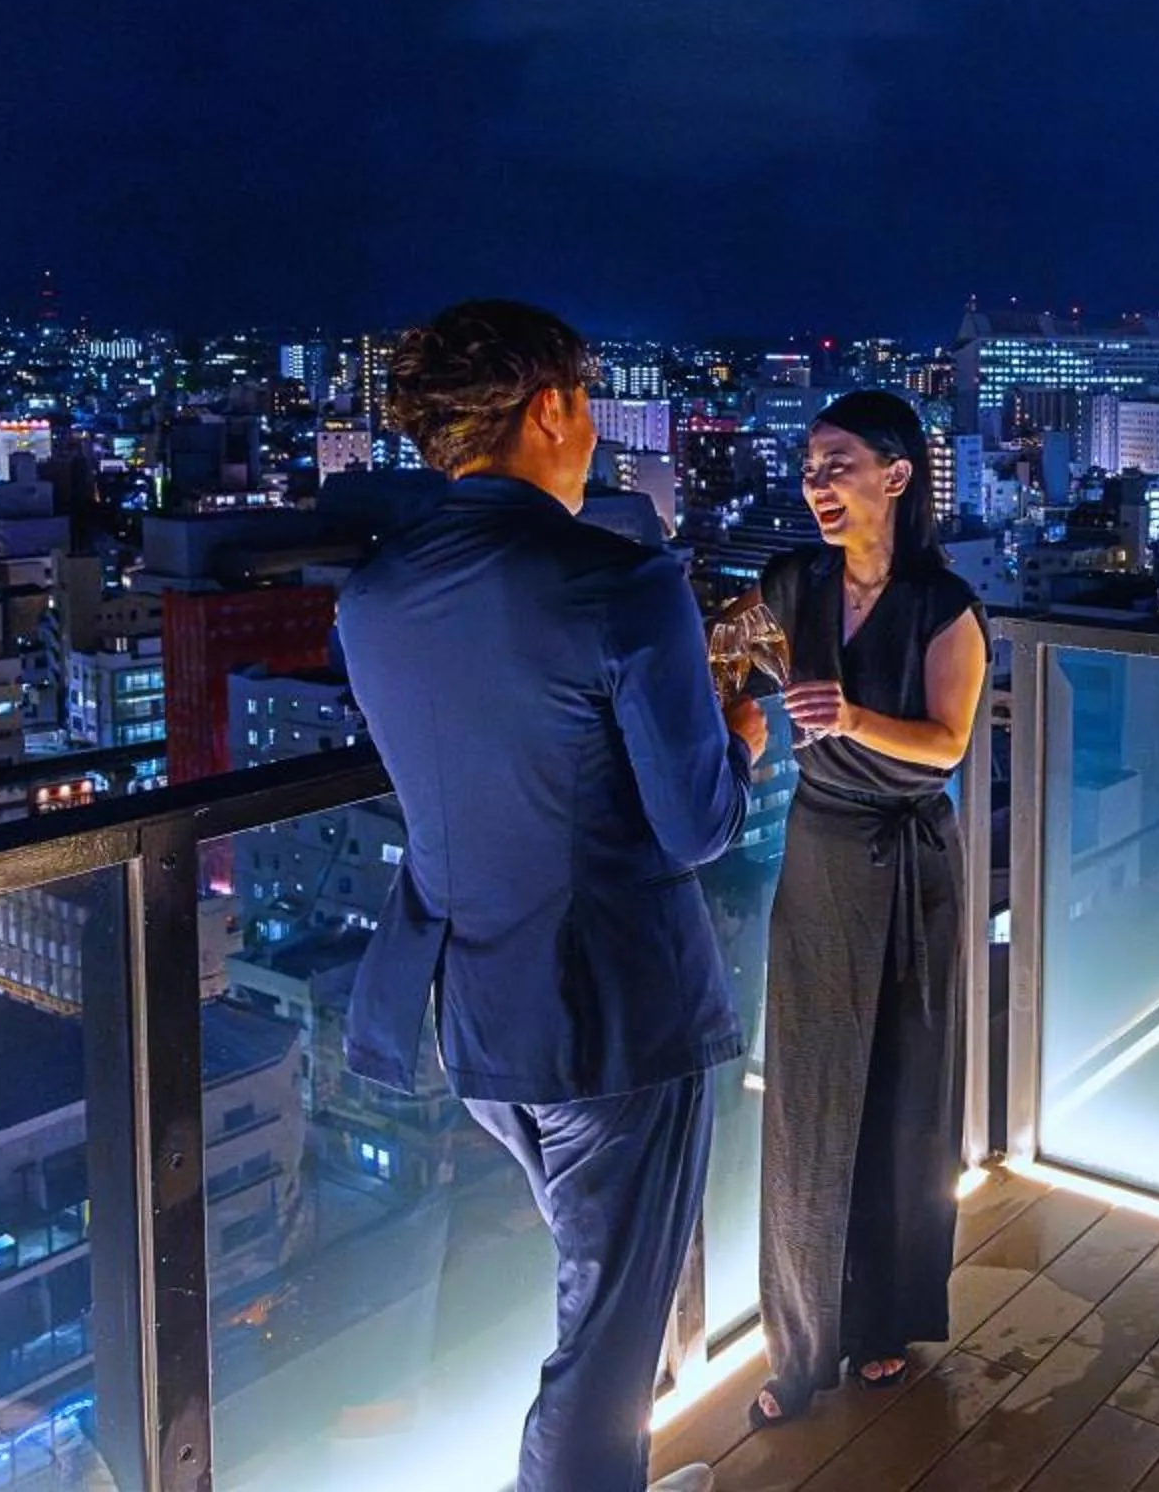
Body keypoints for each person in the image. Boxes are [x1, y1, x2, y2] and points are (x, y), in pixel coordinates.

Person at [340, 299, 763, 1492]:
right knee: (605, 1339)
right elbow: (697, 827)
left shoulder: (371, 597)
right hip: (616, 1014)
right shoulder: (619, 583)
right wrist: (735, 740)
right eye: (589, 405)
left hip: (475, 1012)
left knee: (595, 1296)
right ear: (553, 408)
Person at [745, 390, 988, 1425]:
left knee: (899, 1093)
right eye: (809, 462)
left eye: (837, 460)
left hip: (910, 856)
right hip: (820, 850)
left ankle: (882, 1320)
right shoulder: (789, 582)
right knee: (805, 1093)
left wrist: (847, 713)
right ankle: (798, 1337)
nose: (816, 480)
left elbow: (948, 742)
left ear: (897, 474)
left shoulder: (945, 603)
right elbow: (725, 656)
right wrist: (730, 715)